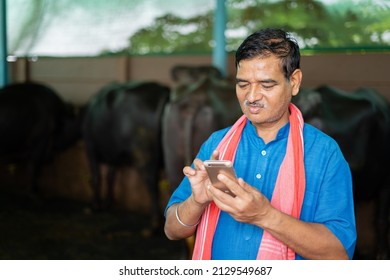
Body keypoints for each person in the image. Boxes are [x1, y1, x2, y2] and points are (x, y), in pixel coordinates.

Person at [164, 28, 357, 260]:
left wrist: (265, 215)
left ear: (294, 82)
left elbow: (339, 254)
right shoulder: (217, 145)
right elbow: (172, 231)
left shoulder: (323, 154)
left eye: (266, 85)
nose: (252, 96)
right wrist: (197, 200)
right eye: (243, 84)